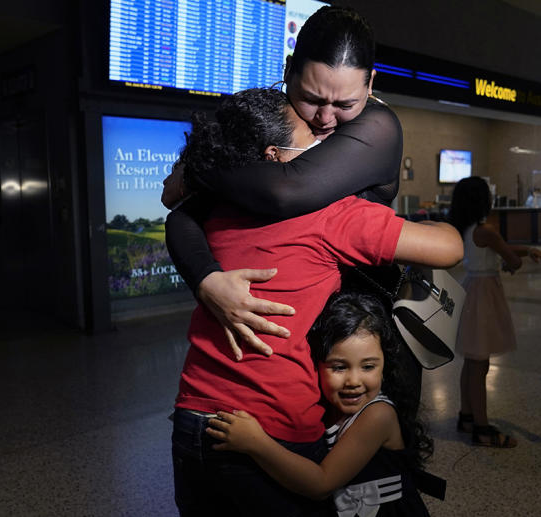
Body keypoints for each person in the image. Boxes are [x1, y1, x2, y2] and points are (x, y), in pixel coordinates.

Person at [169, 87, 463, 516]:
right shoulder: (330, 215)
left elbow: (177, 214)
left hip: (193, 420)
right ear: (275, 158)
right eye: (310, 138)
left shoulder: (214, 210)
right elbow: (450, 247)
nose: (325, 145)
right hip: (273, 430)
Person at [164, 6, 402, 358]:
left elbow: (286, 191)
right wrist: (207, 280)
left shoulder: (378, 128)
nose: (325, 118)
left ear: (370, 84)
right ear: (288, 70)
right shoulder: (270, 124)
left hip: (352, 341)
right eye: (311, 98)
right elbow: (183, 215)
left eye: (345, 103)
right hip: (274, 345)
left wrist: (198, 167)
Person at [207, 291, 432, 516]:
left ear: (385, 365)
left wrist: (256, 443)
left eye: (368, 367)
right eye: (339, 367)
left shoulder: (378, 415)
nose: (353, 381)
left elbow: (321, 484)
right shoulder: (326, 408)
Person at [448, 176, 541, 448]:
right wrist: (518, 260)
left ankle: (466, 416)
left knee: (472, 360)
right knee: (480, 363)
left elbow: (499, 249)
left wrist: (529, 251)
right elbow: (509, 257)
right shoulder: (487, 230)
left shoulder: (468, 228)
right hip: (485, 294)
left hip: (472, 288)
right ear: (483, 200)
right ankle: (482, 429)